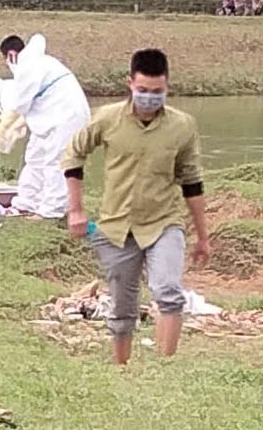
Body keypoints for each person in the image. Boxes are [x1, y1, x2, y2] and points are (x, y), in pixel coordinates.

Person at [62, 49, 209, 365]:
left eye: (157, 92)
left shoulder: (182, 126)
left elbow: (192, 182)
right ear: (130, 83)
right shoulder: (107, 119)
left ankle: (164, 367)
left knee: (168, 290)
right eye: (143, 91)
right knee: (122, 305)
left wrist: (203, 236)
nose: (149, 98)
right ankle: (122, 369)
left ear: (167, 87)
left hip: (164, 221)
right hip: (117, 226)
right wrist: (75, 209)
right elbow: (74, 156)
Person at [0, 34, 89, 218]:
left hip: (65, 117)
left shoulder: (28, 67)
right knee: (35, 156)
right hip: (55, 115)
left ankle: (52, 210)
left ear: (10, 55)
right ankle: (27, 202)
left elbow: (20, 105)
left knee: (55, 162)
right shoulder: (44, 61)